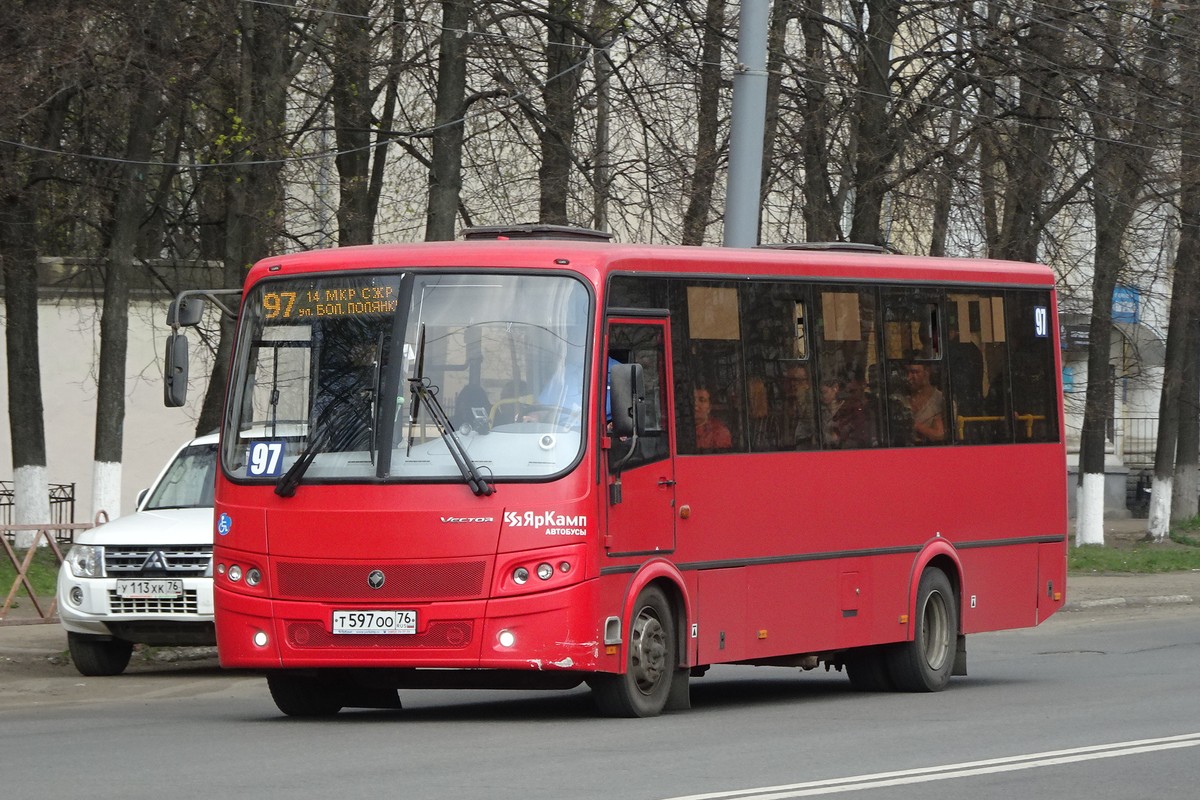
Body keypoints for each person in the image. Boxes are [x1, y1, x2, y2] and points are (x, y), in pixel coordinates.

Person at [819, 375, 871, 448]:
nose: (823, 396)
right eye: (821, 393)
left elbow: (858, 434)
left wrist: (838, 437)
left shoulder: (850, 409)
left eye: (825, 392)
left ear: (835, 388)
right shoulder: (821, 410)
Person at [905, 362, 945, 443]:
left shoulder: (940, 401)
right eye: (907, 373)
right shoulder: (901, 399)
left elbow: (939, 435)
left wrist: (914, 425)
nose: (908, 378)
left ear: (927, 372)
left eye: (914, 372)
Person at [782, 364, 817, 449]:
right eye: (789, 381)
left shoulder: (815, 408)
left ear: (807, 383)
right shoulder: (780, 408)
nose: (793, 384)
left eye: (798, 381)